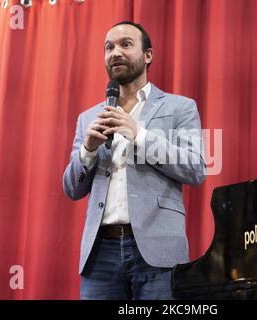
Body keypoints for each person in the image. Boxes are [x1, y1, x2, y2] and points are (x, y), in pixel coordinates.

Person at [63, 21, 206, 300]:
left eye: (125, 44)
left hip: (157, 251)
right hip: (100, 254)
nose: (115, 52)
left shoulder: (180, 107)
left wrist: (139, 134)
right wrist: (88, 151)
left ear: (148, 55)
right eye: (109, 47)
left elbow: (195, 168)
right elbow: (72, 188)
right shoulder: (88, 117)